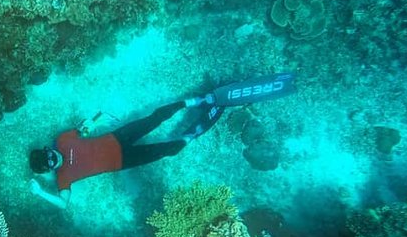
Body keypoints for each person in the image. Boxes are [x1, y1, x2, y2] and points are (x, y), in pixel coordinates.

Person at [28, 73, 296, 210]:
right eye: (50, 163)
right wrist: (40, 193)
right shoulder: (63, 178)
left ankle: (197, 101)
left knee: (155, 117)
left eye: (50, 154)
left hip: (117, 137)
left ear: (48, 149)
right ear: (49, 170)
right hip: (124, 161)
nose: (55, 159)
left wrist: (99, 118)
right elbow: (64, 204)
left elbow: (83, 127)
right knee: (169, 150)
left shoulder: (62, 140)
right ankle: (192, 134)